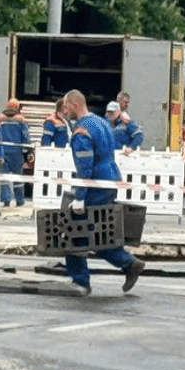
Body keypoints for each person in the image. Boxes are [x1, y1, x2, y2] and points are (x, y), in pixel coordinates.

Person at [62, 90, 146, 296]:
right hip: (110, 180)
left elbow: (85, 168)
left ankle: (80, 282)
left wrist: (80, 197)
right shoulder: (101, 122)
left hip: (95, 184)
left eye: (65, 107)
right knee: (96, 233)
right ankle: (128, 263)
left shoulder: (81, 131)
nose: (64, 112)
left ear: (74, 104)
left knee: (75, 231)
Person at [0, 98, 30, 207]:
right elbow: (25, 137)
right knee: (18, 178)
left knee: (4, 178)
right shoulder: (21, 120)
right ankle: (19, 200)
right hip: (16, 153)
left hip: (3, 152)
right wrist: (29, 151)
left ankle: (6, 201)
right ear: (17, 107)